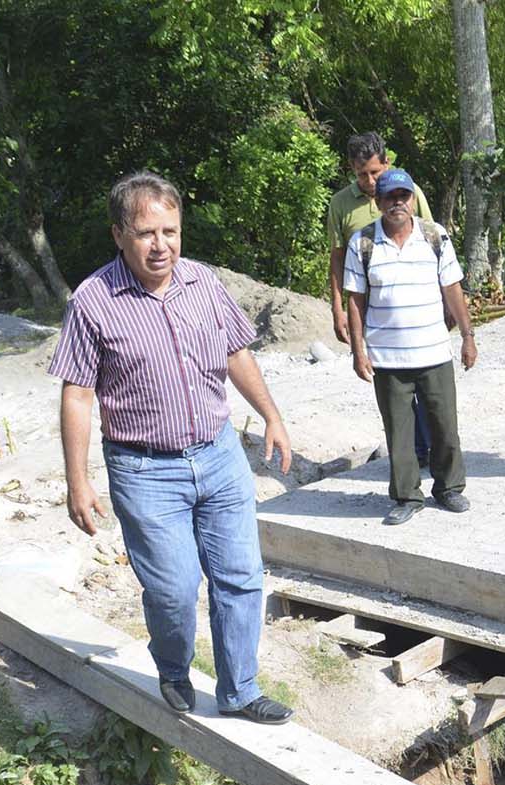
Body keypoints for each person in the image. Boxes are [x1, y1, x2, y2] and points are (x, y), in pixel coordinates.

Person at [50, 171, 296, 724]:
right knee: (174, 590)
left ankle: (240, 690)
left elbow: (235, 353)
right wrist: (78, 481)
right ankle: (173, 666)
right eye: (146, 233)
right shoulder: (93, 302)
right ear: (119, 235)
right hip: (144, 470)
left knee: (241, 576)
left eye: (170, 231)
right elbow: (78, 394)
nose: (161, 245)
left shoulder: (203, 282)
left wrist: (272, 416)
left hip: (219, 453)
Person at [344, 168, 477, 525]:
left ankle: (449, 488)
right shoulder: (362, 243)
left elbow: (452, 288)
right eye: (390, 197)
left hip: (433, 352)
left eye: (403, 196)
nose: (397, 203)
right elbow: (355, 300)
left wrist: (467, 336)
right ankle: (407, 496)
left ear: (413, 200)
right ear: (378, 202)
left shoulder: (435, 236)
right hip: (387, 358)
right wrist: (358, 351)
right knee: (399, 433)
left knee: (444, 425)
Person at [325, 132, 436, 466]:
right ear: (351, 169)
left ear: (387, 163)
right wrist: (338, 308)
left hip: (413, 303)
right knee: (393, 385)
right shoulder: (341, 204)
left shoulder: (408, 193)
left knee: (425, 380)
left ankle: (432, 447)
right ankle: (412, 452)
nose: (370, 181)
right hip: (372, 309)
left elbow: (433, 241)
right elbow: (337, 259)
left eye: (375, 172)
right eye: (362, 174)